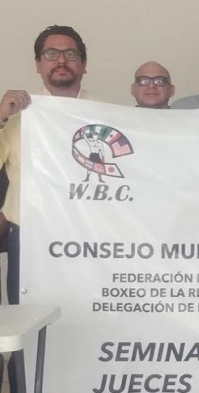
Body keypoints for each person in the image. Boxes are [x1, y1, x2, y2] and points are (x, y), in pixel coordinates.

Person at [0, 24, 96, 393]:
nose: (61, 61)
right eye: (51, 54)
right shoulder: (16, 117)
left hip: (89, 241)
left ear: (83, 64)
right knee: (28, 333)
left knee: (86, 327)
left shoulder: (104, 113)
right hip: (29, 243)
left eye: (70, 54)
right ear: (38, 64)